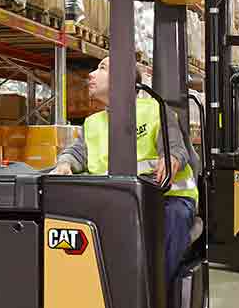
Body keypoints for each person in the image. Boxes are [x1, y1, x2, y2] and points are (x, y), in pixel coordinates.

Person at [53, 56, 199, 287]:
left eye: (102, 68)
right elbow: (77, 152)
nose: (91, 75)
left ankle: (155, 292)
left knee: (173, 218)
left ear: (123, 77)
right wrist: (65, 164)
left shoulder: (155, 110)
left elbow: (175, 147)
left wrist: (171, 158)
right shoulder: (93, 123)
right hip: (115, 201)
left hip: (166, 198)